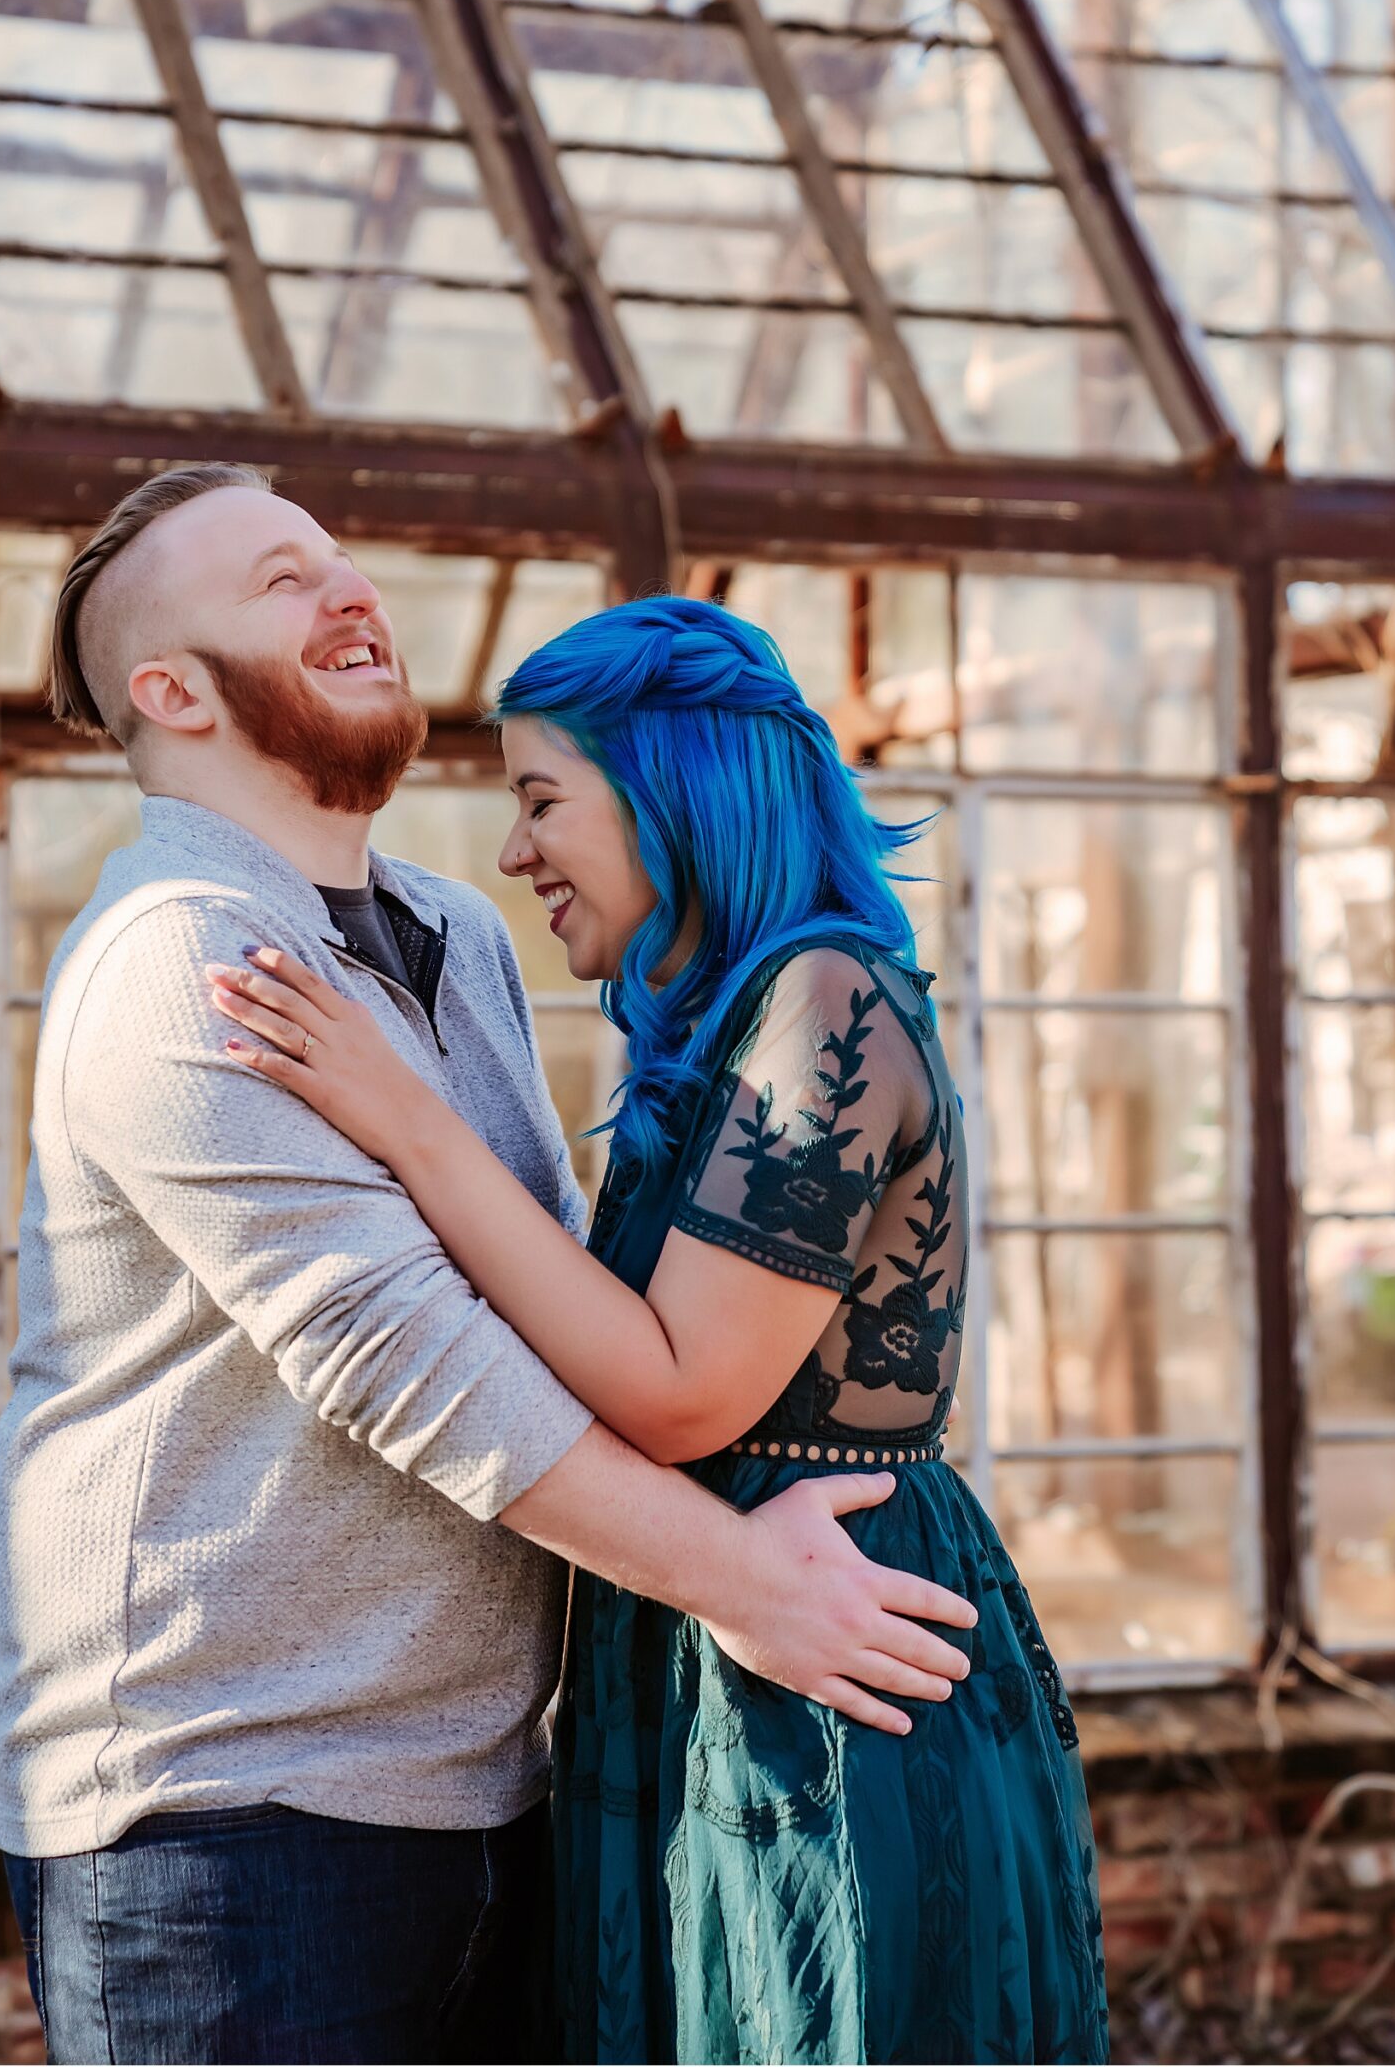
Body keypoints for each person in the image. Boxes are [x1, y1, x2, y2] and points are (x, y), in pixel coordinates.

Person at [0, 465, 978, 2067]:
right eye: (280, 582)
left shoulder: (454, 934)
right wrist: (744, 1581)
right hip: (229, 1822)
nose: (349, 588)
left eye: (339, 559)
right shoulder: (184, 952)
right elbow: (407, 1357)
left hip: (497, 1791)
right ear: (168, 692)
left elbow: (563, 1302)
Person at [210, 594, 1111, 2067]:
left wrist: (407, 1123)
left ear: (669, 792)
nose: (514, 854)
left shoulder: (829, 1003)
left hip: (824, 1651)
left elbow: (684, 1394)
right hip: (705, 1631)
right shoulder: (725, 1022)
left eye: (541, 799)